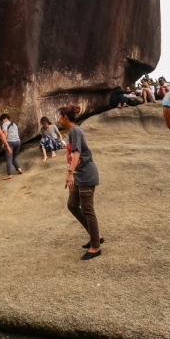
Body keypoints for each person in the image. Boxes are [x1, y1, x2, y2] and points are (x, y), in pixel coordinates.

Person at [58, 104, 102, 261]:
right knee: (72, 205)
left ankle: (95, 246)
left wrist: (70, 173)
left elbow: (77, 153)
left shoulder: (75, 131)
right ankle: (95, 234)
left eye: (59, 116)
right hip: (79, 175)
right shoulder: (71, 133)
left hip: (86, 175)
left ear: (65, 117)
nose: (58, 120)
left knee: (88, 209)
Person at [0, 114, 23, 179]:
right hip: (18, 142)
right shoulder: (15, 124)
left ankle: (9, 174)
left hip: (10, 142)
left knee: (9, 158)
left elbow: (5, 133)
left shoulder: (5, 124)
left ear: (6, 119)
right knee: (13, 158)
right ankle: (19, 169)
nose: (2, 122)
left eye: (2, 121)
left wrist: (3, 143)